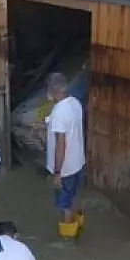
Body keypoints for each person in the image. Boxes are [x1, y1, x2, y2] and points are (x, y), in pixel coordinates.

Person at [45, 72, 86, 240]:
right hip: (78, 162)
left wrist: (57, 172)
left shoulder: (59, 112)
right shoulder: (75, 103)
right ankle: (79, 223)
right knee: (74, 195)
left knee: (64, 204)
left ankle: (68, 237)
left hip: (65, 167)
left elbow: (60, 144)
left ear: (54, 89)